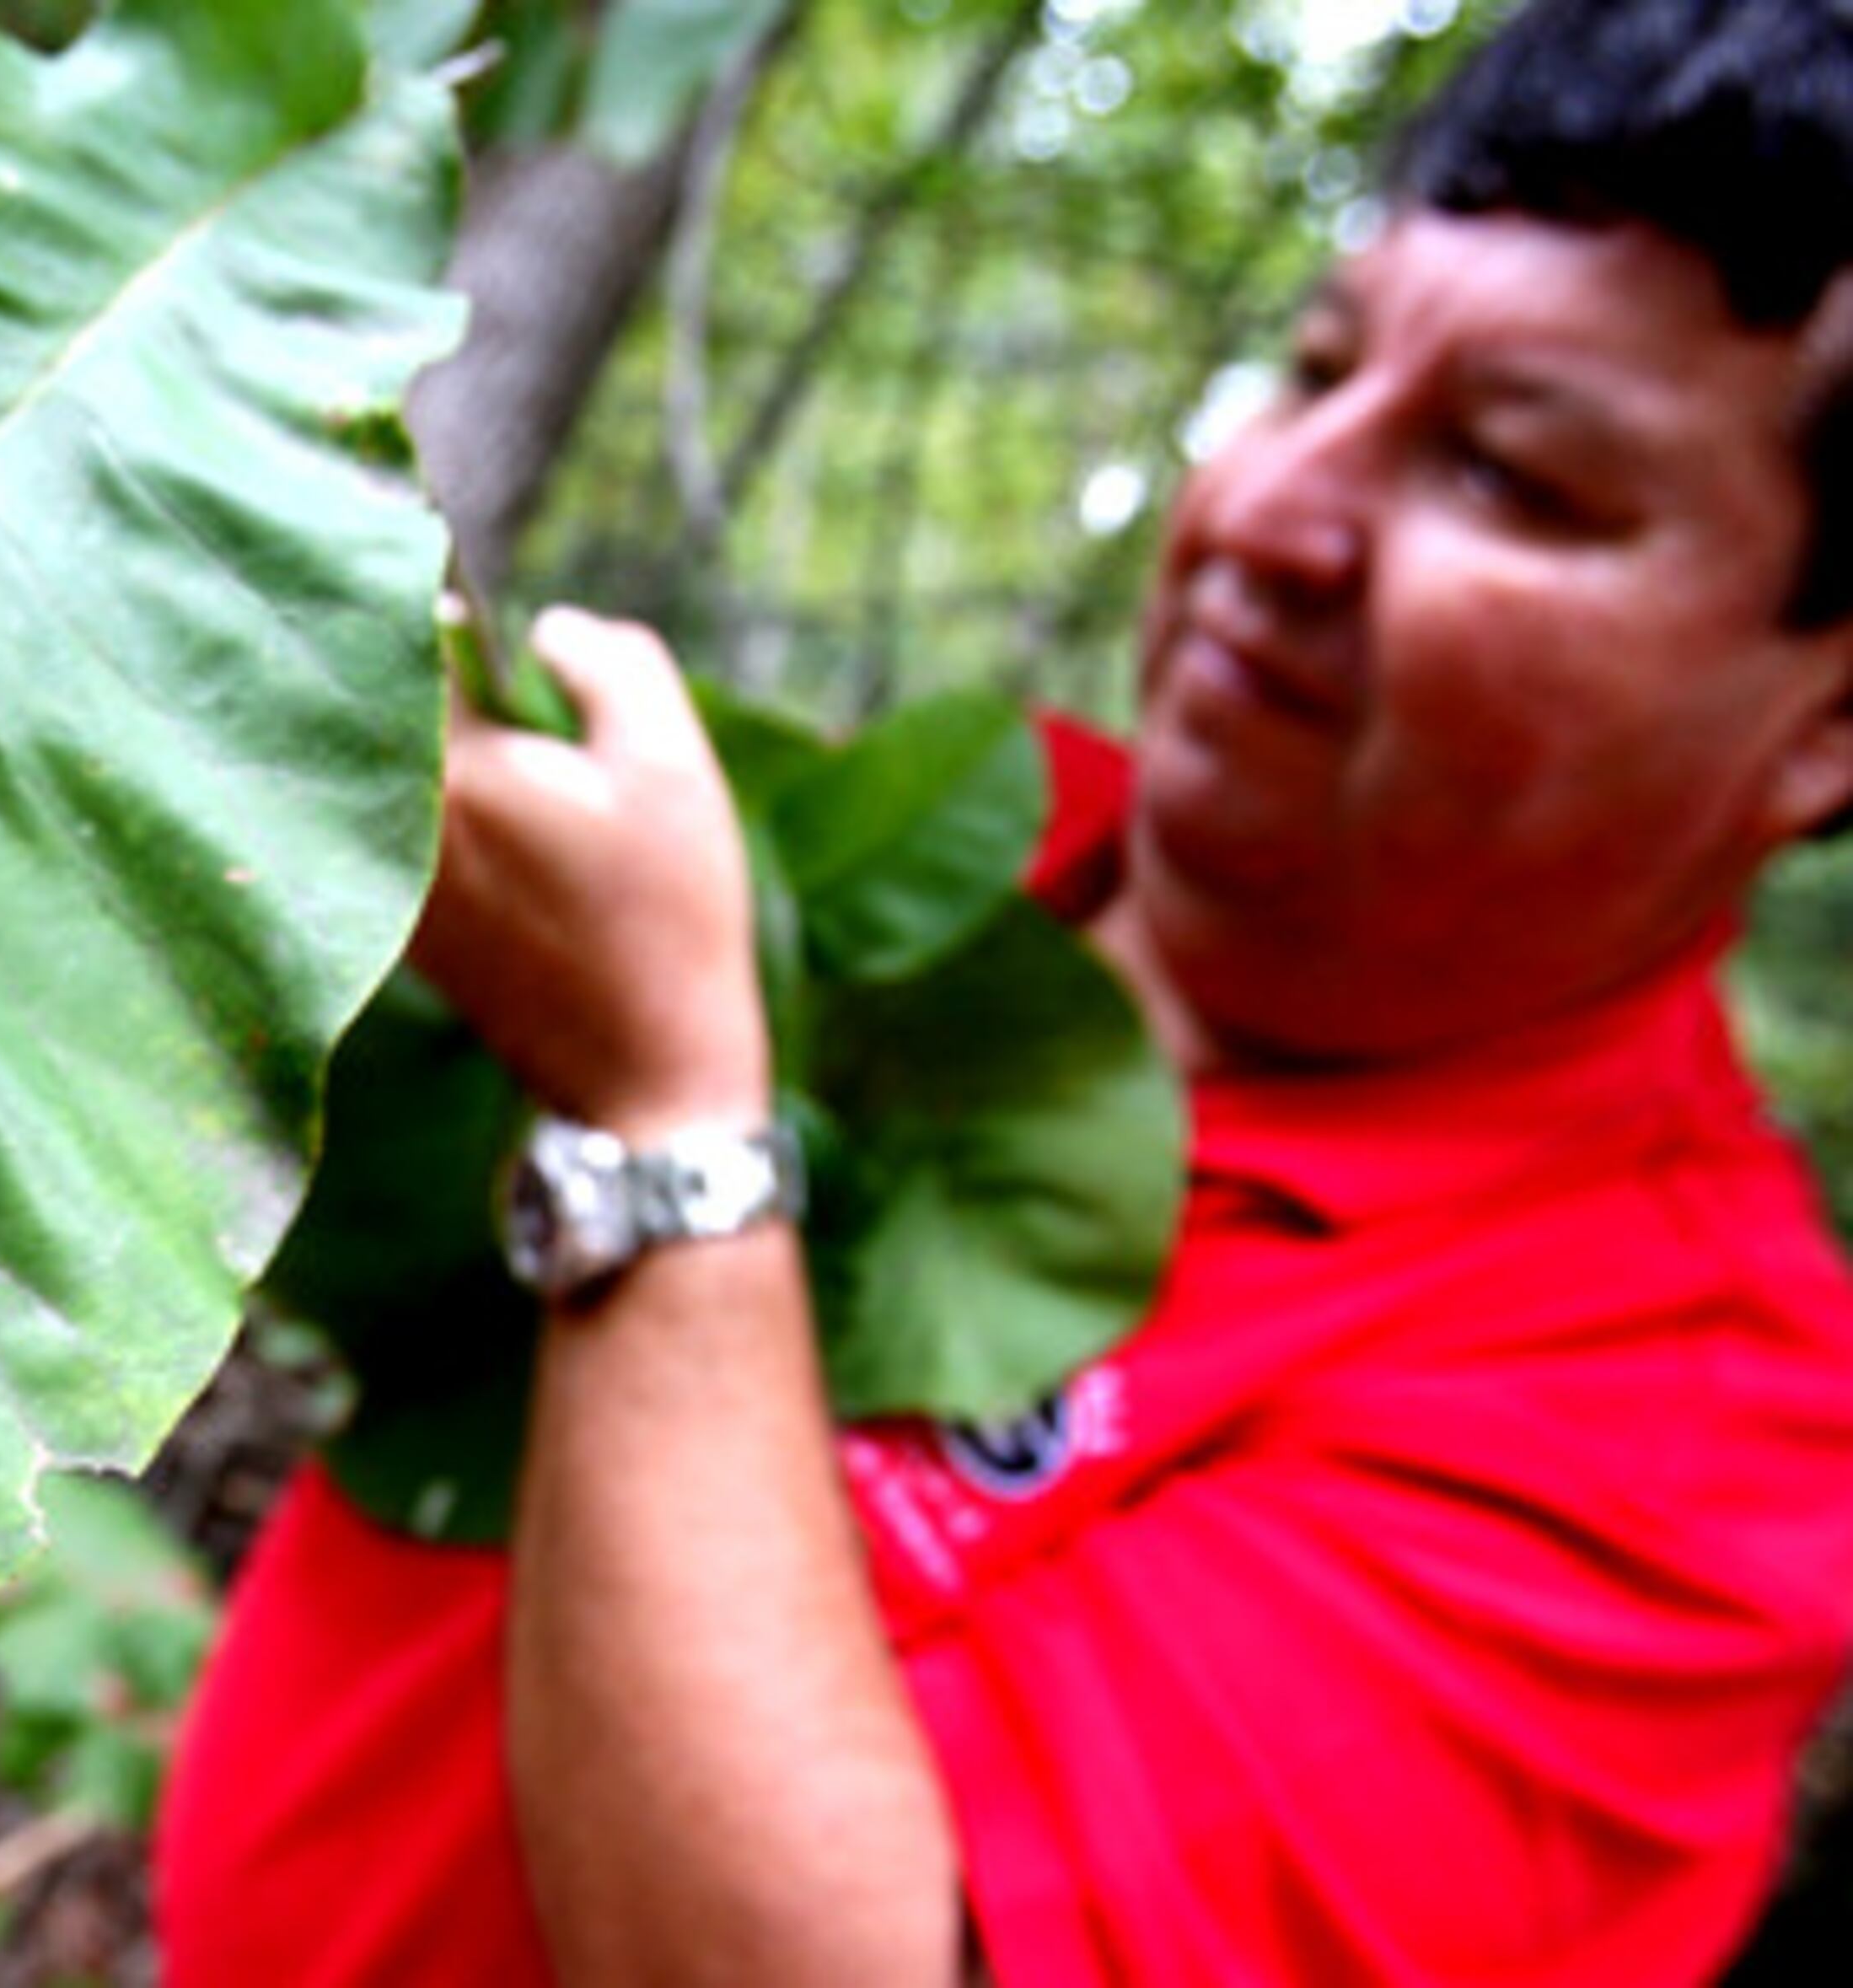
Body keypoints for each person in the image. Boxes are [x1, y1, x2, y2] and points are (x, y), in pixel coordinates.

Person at [153, 0, 1853, 1980]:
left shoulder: (1680, 1444)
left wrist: (664, 1123)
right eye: (1313, 370)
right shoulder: (959, 843)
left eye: (1515, 482)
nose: (1267, 518)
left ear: (1824, 728)